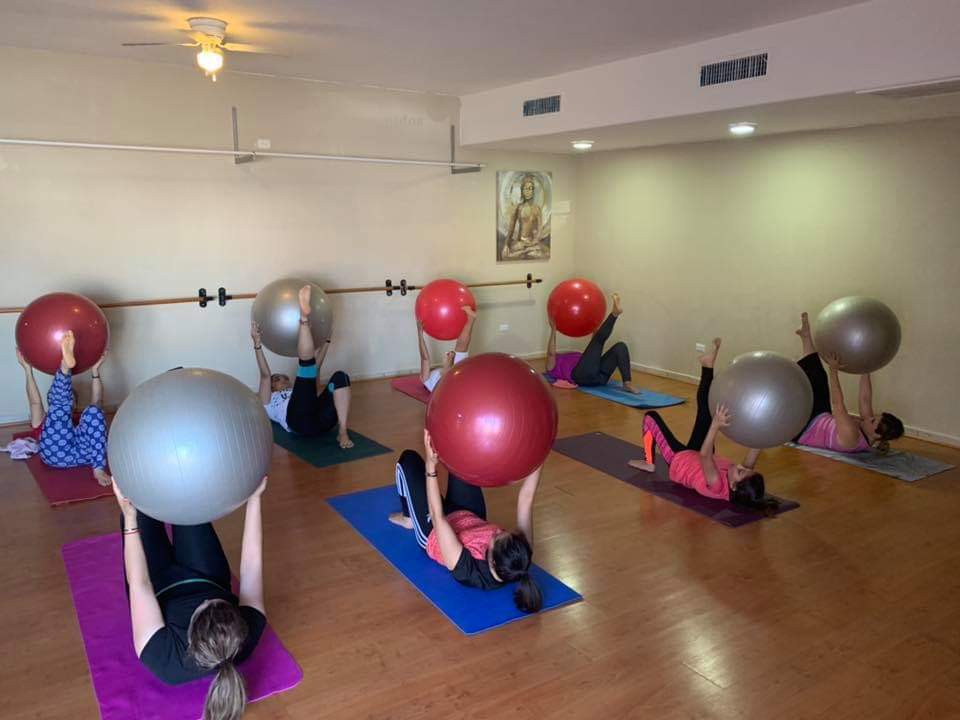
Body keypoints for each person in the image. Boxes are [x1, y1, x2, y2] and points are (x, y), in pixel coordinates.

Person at [112, 476, 268, 720]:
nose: (203, 600)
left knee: (135, 501)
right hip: (205, 576)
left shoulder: (164, 659)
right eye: (219, 601)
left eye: (203, 605)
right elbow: (251, 566)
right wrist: (255, 499)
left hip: (157, 586)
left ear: (190, 632)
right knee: (187, 495)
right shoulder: (246, 632)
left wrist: (130, 519)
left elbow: (139, 583)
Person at [389, 429, 543, 613]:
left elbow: (438, 516)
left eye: (496, 537)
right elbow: (526, 499)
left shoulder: (468, 570)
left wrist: (431, 466)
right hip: (470, 517)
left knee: (408, 460)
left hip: (434, 530)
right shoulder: (522, 549)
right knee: (462, 455)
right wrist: (539, 453)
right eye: (502, 532)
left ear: (492, 562)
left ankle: (410, 518)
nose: (495, 530)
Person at [628, 338, 778, 513]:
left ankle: (649, 462)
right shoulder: (742, 480)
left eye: (740, 471)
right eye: (744, 469)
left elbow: (705, 455)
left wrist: (716, 424)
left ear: (733, 486)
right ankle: (707, 366)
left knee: (650, 417)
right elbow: (754, 450)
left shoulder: (716, 483)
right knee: (706, 410)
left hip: (680, 460)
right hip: (698, 455)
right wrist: (764, 430)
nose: (740, 466)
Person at [253, 284, 354, 449]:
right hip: (298, 423)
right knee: (307, 366)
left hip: (322, 422)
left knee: (340, 378)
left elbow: (316, 368)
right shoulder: (268, 401)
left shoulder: (297, 390)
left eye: (283, 377)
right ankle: (303, 319)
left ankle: (342, 431)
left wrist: (327, 340)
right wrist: (257, 344)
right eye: (276, 379)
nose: (282, 379)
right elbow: (265, 375)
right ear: (271, 387)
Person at [793, 312, 904, 453]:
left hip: (804, 428)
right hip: (820, 416)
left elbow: (837, 403)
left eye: (872, 421)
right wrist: (866, 369)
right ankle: (806, 336)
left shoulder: (852, 436)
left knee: (803, 388)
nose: (869, 418)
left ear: (876, 435)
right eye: (873, 417)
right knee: (819, 376)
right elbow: (865, 399)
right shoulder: (868, 428)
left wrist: (833, 371)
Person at [16, 332, 110, 485]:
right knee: (59, 411)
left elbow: (97, 401)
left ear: (75, 404)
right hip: (55, 455)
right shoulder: (43, 420)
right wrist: (27, 370)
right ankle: (65, 369)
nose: (69, 400)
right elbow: (35, 403)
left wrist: (95, 371)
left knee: (94, 411)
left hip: (84, 456)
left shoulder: (82, 421)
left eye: (71, 399)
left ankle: (98, 469)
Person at [546, 292, 641, 392]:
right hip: (581, 377)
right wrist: (553, 330)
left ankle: (627, 383)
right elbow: (551, 353)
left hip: (600, 377)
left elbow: (593, 353)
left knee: (620, 346)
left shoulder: (576, 356)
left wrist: (595, 328)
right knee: (598, 342)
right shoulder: (551, 368)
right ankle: (614, 315)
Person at [418, 305, 476, 392]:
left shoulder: (427, 381)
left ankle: (471, 319)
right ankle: (448, 365)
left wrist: (419, 333)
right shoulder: (426, 380)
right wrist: (419, 333)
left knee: (461, 349)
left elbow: (425, 358)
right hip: (450, 382)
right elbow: (424, 358)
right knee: (460, 351)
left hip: (452, 379)